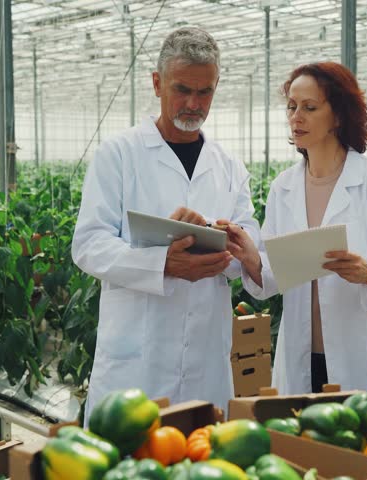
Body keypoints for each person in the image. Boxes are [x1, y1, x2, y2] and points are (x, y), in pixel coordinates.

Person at [72, 27, 262, 421]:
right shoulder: (119, 155)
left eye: (205, 92)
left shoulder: (229, 167)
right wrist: (163, 263)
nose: (193, 103)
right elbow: (89, 244)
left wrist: (221, 240)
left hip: (206, 357)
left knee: (200, 457)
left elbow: (248, 243)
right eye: (182, 89)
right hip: (136, 361)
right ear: (157, 83)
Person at [222, 62, 367, 394]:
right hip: (301, 354)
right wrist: (251, 258)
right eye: (292, 106)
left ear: (339, 115)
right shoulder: (283, 188)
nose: (296, 116)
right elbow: (272, 274)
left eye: (309, 107)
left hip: (359, 351)